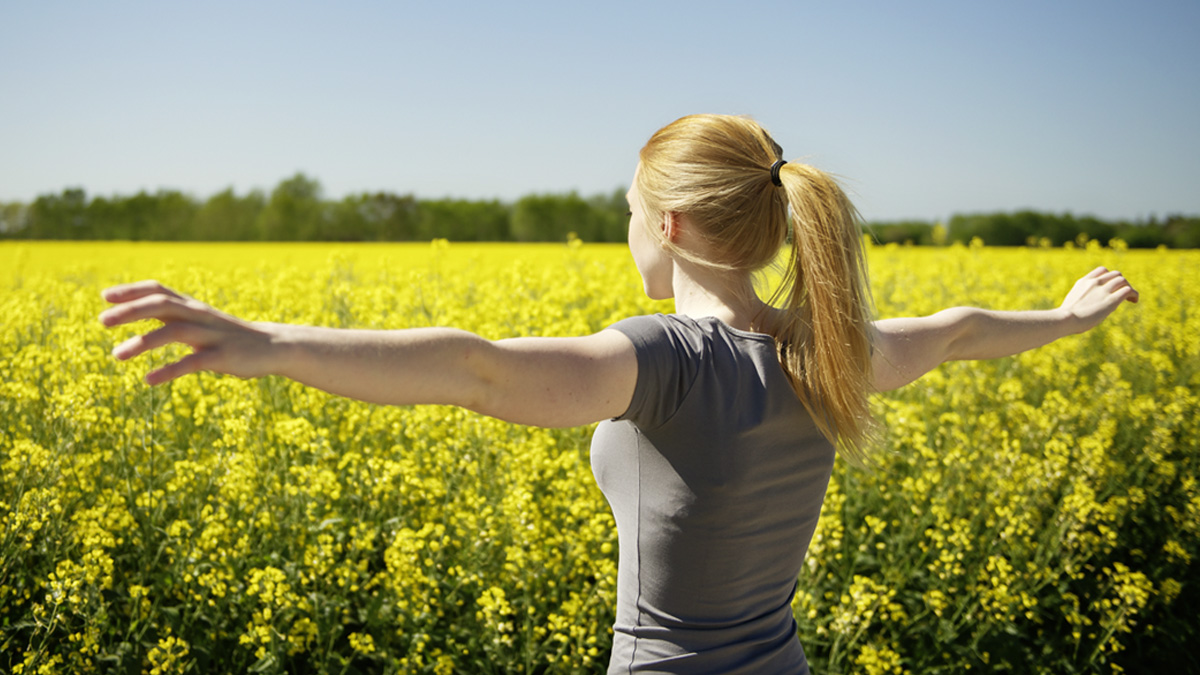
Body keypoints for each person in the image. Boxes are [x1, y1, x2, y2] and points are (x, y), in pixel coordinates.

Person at [99, 114, 1138, 674]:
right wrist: (1067, 318)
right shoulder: (834, 353)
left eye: (630, 213)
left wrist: (271, 340)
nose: (627, 230)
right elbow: (955, 334)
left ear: (672, 226)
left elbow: (474, 367)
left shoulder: (664, 361)